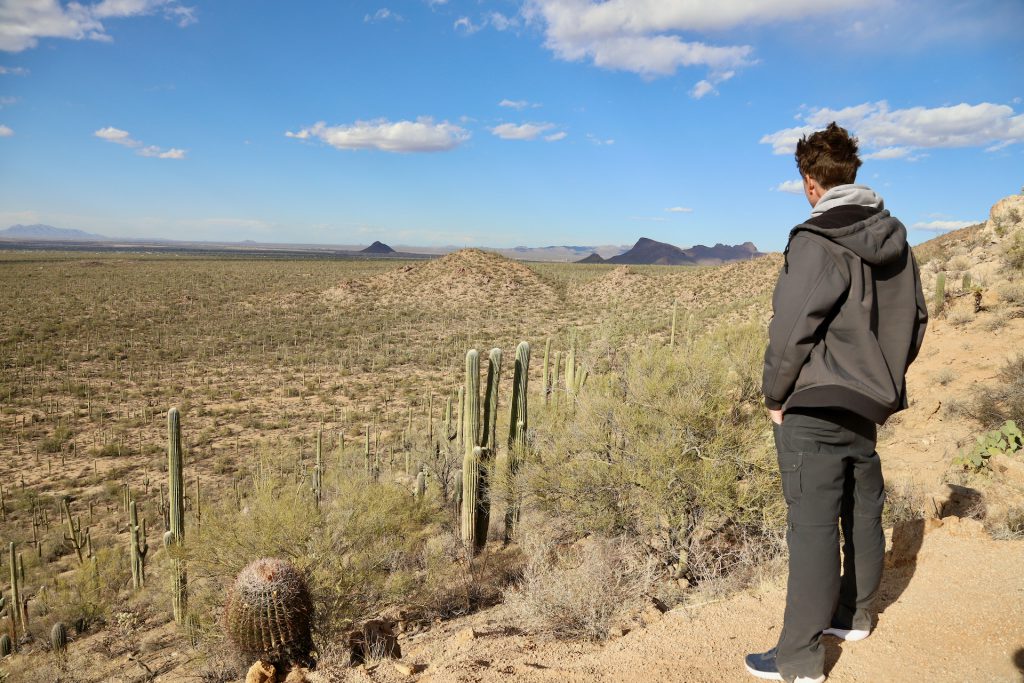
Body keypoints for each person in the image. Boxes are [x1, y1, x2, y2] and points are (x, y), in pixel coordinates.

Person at [745, 122, 928, 683]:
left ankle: (799, 660)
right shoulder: (895, 240)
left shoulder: (817, 239)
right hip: (868, 405)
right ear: (853, 173)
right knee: (862, 509)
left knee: (813, 526)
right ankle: (854, 615)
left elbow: (792, 328)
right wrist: (883, 380)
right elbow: (916, 319)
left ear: (809, 182)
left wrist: (776, 395)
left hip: (814, 407)